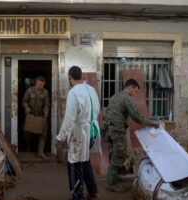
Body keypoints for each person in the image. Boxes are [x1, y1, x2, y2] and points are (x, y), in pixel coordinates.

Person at [104, 78, 159, 192]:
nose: (135, 94)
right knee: (118, 156)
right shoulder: (126, 99)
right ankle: (110, 184)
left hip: (110, 130)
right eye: (135, 91)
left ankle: (114, 179)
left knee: (114, 154)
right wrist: (152, 124)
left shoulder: (115, 96)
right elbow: (137, 117)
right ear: (130, 87)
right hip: (117, 131)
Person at [57, 66, 99, 200]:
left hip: (79, 133)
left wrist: (61, 137)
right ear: (80, 76)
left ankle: (77, 196)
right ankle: (93, 191)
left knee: (74, 164)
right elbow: (97, 110)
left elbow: (69, 118)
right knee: (85, 161)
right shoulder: (91, 89)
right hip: (92, 131)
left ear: (70, 77)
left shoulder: (74, 92)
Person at [22, 75, 50, 159]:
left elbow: (47, 104)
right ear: (36, 83)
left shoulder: (45, 92)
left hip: (41, 116)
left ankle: (40, 152)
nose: (41, 86)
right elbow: (24, 102)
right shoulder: (29, 91)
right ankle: (28, 148)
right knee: (27, 133)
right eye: (40, 84)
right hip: (31, 115)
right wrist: (27, 109)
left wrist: (46, 112)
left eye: (43, 85)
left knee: (43, 134)